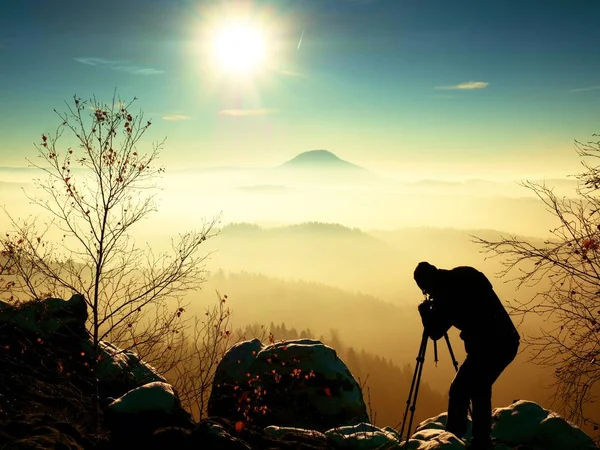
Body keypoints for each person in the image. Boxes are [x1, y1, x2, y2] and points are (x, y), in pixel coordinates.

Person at [413, 261, 520, 450]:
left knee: (463, 390)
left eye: (425, 290)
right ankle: (478, 441)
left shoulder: (446, 295)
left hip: (490, 346)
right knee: (478, 388)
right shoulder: (462, 275)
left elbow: (435, 332)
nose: (428, 295)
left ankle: (454, 441)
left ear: (426, 285)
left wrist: (424, 312)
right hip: (505, 340)